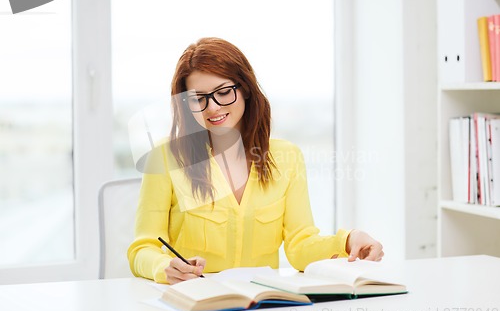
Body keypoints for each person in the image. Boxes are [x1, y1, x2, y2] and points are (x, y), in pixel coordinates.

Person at [127, 37, 383, 284]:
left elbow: (300, 245)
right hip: (194, 303)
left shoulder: (286, 158)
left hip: (261, 304)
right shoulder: (164, 156)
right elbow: (143, 248)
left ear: (245, 89)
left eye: (224, 92)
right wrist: (164, 268)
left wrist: (347, 241)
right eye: (198, 99)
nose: (213, 108)